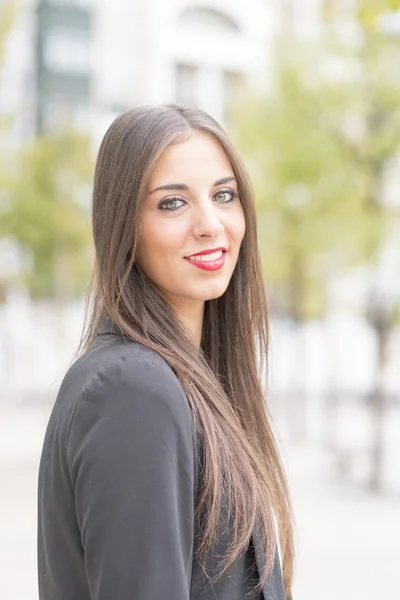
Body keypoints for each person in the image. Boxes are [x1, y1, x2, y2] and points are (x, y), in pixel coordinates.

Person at [37, 104, 295, 600]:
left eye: (224, 195)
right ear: (124, 225)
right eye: (172, 203)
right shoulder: (133, 389)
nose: (210, 224)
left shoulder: (181, 381)